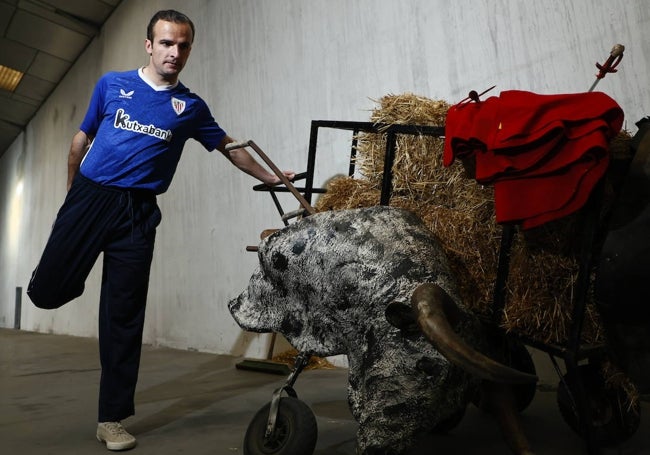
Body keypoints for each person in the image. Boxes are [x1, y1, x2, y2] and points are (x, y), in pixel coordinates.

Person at [26, 9, 294, 451]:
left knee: (124, 316)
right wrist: (72, 198)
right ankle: (61, 275)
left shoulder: (190, 108)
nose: (175, 52)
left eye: (183, 45)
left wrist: (269, 177)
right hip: (90, 198)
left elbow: (229, 147)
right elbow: (80, 141)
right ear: (149, 45)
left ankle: (111, 419)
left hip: (138, 214)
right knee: (47, 293)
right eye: (166, 43)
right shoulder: (112, 84)